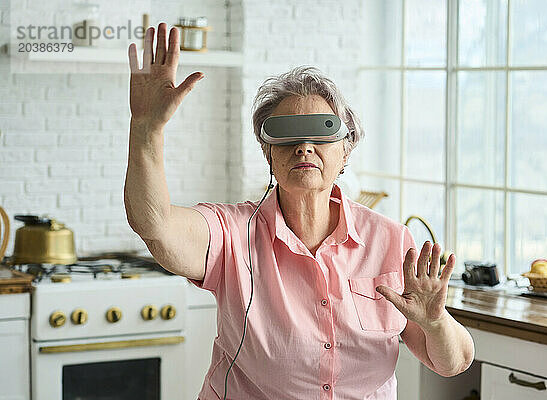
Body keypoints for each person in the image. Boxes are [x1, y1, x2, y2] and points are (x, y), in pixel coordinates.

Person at [125, 23, 475, 400]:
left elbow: (452, 363)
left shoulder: (391, 241)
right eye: (288, 135)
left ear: (346, 152)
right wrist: (147, 129)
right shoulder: (231, 234)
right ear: (268, 153)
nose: (305, 147)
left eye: (321, 134)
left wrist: (435, 322)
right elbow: (155, 224)